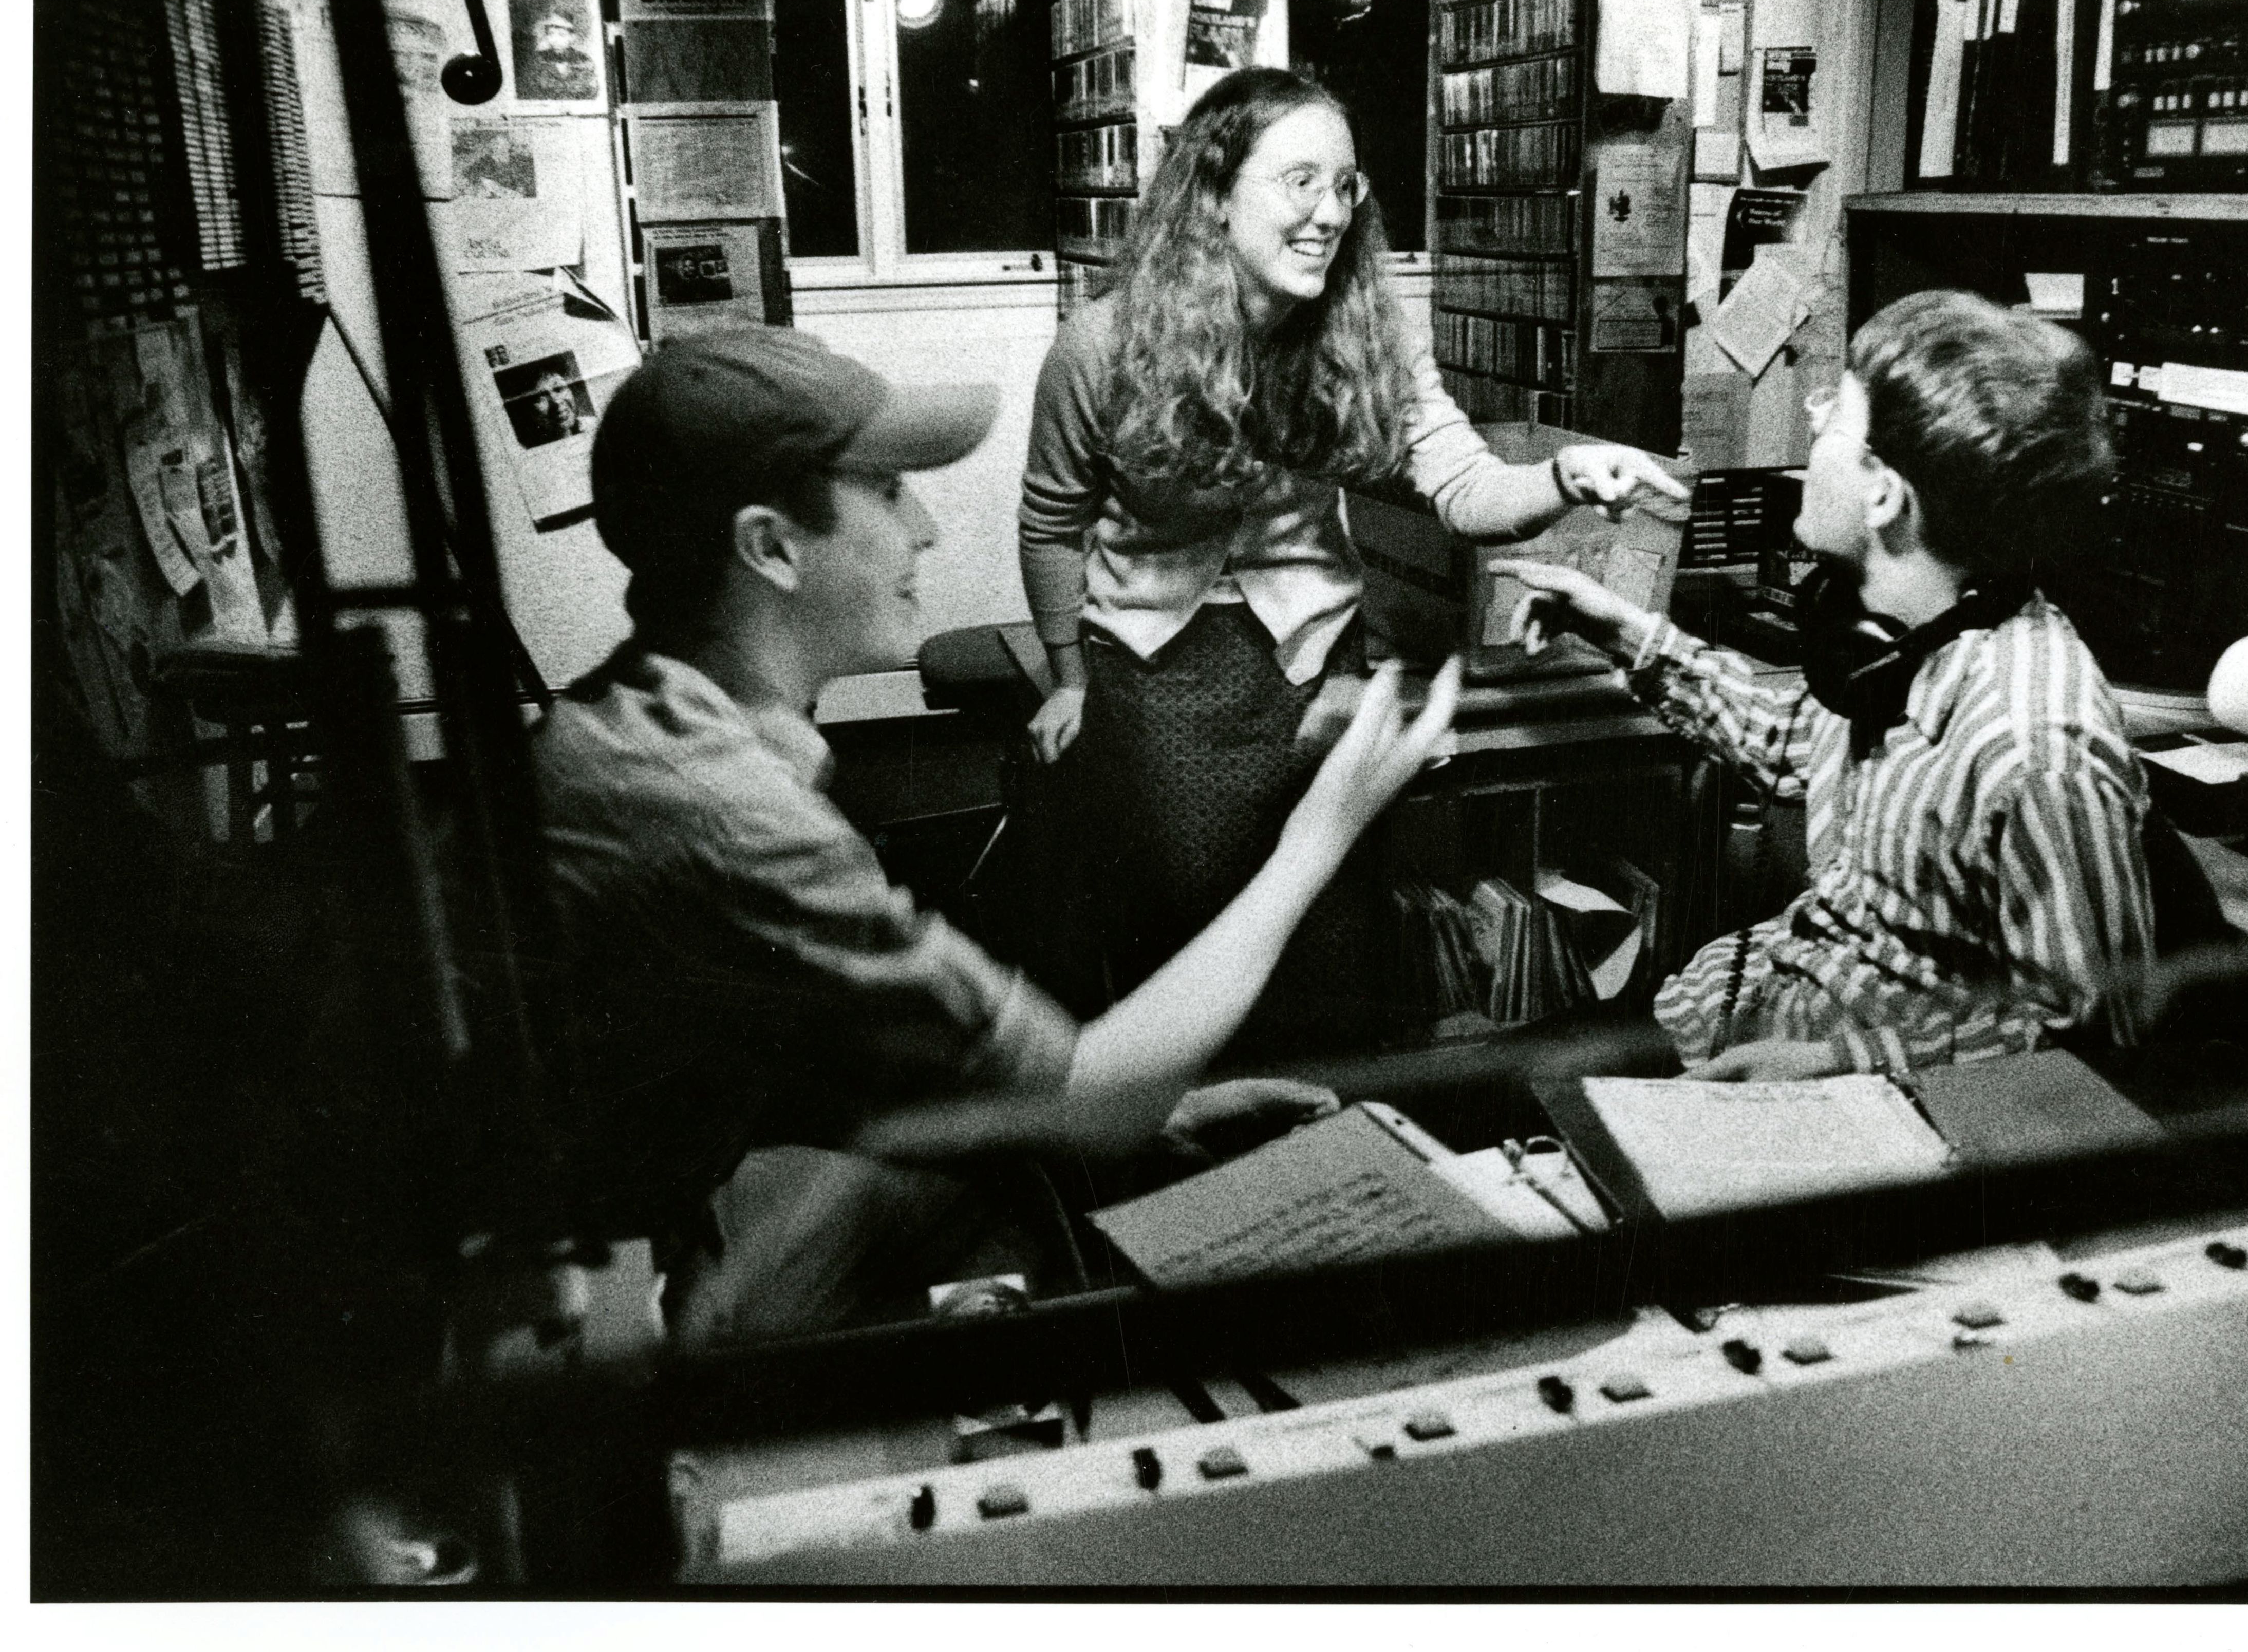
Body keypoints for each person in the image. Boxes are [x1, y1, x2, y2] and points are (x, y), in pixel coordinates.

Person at [533, 327, 1460, 1349]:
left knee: (1011, 1178)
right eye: (890, 491)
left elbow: (879, 1056)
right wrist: (1323, 830)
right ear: (770, 547)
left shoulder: (664, 723)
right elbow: (1092, 1098)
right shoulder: (723, 809)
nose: (926, 529)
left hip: (642, 1216)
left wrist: (1150, 1109)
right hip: (588, 1320)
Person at [1019, 65, 1687, 1051]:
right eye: (1300, 182)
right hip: (1158, 677)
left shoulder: (1366, 332)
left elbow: (1465, 486)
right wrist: (1069, 676)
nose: (1331, 212)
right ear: (1214, 194)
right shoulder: (1100, 346)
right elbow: (1050, 523)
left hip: (1316, 666)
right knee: (1192, 956)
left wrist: (1564, 477)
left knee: (1330, 949)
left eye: (1345, 185)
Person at [1496, 290, 2154, 1083]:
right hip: (1736, 1010)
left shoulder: (2035, 747)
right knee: (1493, 1083)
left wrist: (1835, 1063)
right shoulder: (1893, 639)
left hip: (1841, 1091)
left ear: (1885, 493)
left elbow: (2089, 1033)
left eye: (1832, 416)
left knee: (1504, 1103)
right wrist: (1619, 627)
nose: (1812, 431)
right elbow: (1788, 744)